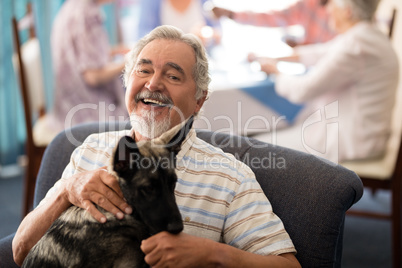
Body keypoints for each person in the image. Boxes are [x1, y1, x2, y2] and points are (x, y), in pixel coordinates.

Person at [12, 25, 301, 267]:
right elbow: (21, 250)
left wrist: (213, 254)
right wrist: (66, 190)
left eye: (173, 76)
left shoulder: (229, 176)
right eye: (143, 71)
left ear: (200, 100)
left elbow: (288, 265)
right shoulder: (91, 149)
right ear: (127, 83)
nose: (153, 84)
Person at [250, 0, 399, 163]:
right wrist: (273, 58)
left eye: (332, 4)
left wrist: (276, 72)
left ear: (347, 11)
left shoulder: (357, 44)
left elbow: (303, 90)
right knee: (267, 139)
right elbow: (320, 52)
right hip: (364, 135)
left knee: (256, 151)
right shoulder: (366, 35)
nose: (327, 9)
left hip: (353, 143)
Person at [51, 0, 129, 131]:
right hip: (86, 111)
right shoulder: (88, 15)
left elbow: (81, 56)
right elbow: (92, 76)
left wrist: (114, 51)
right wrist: (130, 61)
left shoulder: (72, 7)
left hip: (64, 108)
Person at [212, 0, 336, 47]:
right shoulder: (308, 4)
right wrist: (232, 14)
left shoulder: (347, 10)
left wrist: (304, 46)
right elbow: (273, 17)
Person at [137, 0, 220, 45]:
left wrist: (207, 35)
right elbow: (143, 37)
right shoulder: (150, 2)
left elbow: (217, 31)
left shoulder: (206, 2)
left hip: (202, 61)